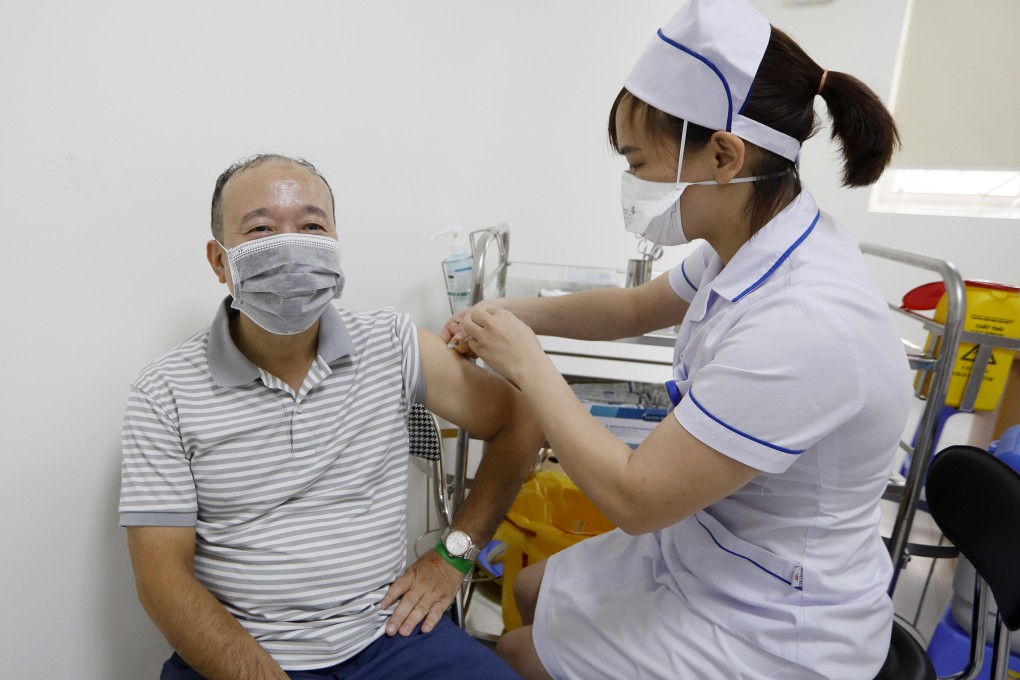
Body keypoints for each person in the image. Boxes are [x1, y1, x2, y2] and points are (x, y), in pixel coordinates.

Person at [442, 0, 912, 677]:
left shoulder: (808, 325)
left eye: (639, 161)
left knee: (515, 651)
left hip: (774, 625)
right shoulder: (752, 240)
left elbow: (636, 498)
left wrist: (526, 360)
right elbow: (634, 307)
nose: (632, 183)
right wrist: (506, 311)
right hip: (712, 546)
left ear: (725, 155)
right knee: (526, 587)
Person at [119, 153, 543, 679]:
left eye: (312, 225)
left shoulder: (393, 343)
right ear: (219, 261)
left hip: (390, 637)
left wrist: (455, 555)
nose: (291, 247)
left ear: (336, 245)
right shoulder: (164, 391)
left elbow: (519, 421)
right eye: (261, 229)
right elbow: (161, 577)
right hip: (239, 653)